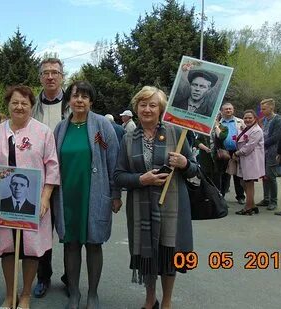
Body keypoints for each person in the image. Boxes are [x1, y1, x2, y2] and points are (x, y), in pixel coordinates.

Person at [114, 86, 198, 309]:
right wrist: (142, 180)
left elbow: (194, 169)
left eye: (153, 105)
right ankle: (150, 299)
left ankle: (167, 302)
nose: (147, 109)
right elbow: (119, 176)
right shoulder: (128, 138)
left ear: (161, 109)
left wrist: (185, 163)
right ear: (136, 108)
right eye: (143, 104)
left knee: (169, 253)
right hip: (140, 208)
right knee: (146, 255)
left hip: (173, 206)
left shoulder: (175, 133)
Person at [0, 85, 60, 309]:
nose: (19, 107)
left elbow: (52, 167)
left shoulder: (43, 132)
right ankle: (10, 294)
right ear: (7, 105)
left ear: (31, 106)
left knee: (30, 249)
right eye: (15, 102)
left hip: (33, 202)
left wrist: (45, 197)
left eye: (24, 103)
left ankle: (25, 294)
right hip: (3, 202)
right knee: (7, 247)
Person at [53, 81, 121, 309]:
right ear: (68, 100)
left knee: (94, 243)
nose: (79, 100)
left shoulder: (102, 127)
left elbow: (113, 160)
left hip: (94, 193)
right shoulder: (61, 128)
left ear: (91, 101)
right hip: (67, 196)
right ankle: (74, 293)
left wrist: (115, 193)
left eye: (84, 96)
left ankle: (93, 294)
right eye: (75, 96)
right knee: (70, 244)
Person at [31, 57, 70, 298]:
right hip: (39, 182)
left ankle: (70, 277)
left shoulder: (75, 103)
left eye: (55, 72)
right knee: (41, 232)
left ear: (62, 76)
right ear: (40, 78)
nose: (50, 76)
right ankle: (43, 277)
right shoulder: (31, 106)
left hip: (68, 180)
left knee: (69, 232)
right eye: (46, 73)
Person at [232, 110, 265, 215]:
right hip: (245, 160)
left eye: (250, 118)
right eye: (245, 118)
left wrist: (237, 153)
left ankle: (248, 207)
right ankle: (253, 205)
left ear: (255, 118)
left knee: (248, 184)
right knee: (244, 183)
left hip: (251, 160)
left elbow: (249, 146)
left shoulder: (257, 131)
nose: (247, 120)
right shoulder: (246, 129)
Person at [256, 99, 281, 210]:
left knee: (271, 176)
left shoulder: (279, 120)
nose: (262, 111)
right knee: (265, 176)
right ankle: (266, 198)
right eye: (261, 108)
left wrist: (261, 143)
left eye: (264, 108)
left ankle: (273, 201)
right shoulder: (263, 120)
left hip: (272, 151)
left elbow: (276, 137)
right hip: (263, 151)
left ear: (271, 108)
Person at [218, 102, 246, 204]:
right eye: (226, 109)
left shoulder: (240, 122)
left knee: (238, 175)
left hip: (237, 151)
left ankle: (240, 196)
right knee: (224, 174)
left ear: (233, 110)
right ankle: (222, 196)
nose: (228, 110)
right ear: (222, 111)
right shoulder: (218, 123)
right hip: (223, 151)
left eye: (230, 109)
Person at [193, 118, 228, 187]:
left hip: (218, 156)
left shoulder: (224, 128)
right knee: (205, 176)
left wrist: (216, 126)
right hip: (205, 156)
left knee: (217, 177)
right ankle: (204, 195)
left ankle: (217, 195)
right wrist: (205, 148)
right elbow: (196, 140)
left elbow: (221, 137)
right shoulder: (203, 127)